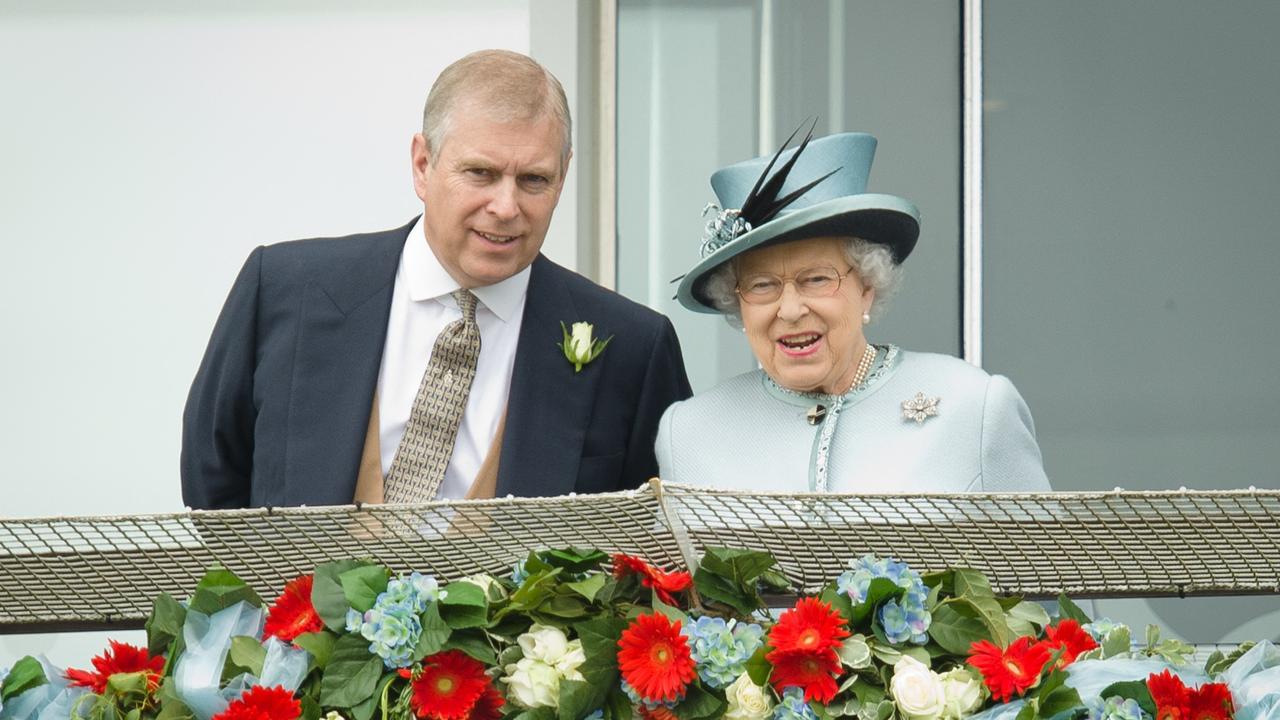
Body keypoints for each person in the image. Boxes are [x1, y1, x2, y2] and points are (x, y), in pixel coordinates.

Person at [182, 49, 691, 509]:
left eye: (534, 180)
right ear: (423, 165)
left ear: (563, 176)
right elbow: (212, 479)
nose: (506, 207)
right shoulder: (284, 289)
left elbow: (650, 539)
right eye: (481, 174)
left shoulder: (634, 348)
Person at [656, 129, 1049, 492]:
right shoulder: (689, 433)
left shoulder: (974, 406)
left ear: (866, 287)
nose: (790, 310)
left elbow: (1040, 567)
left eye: (816, 279)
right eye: (762, 286)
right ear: (737, 303)